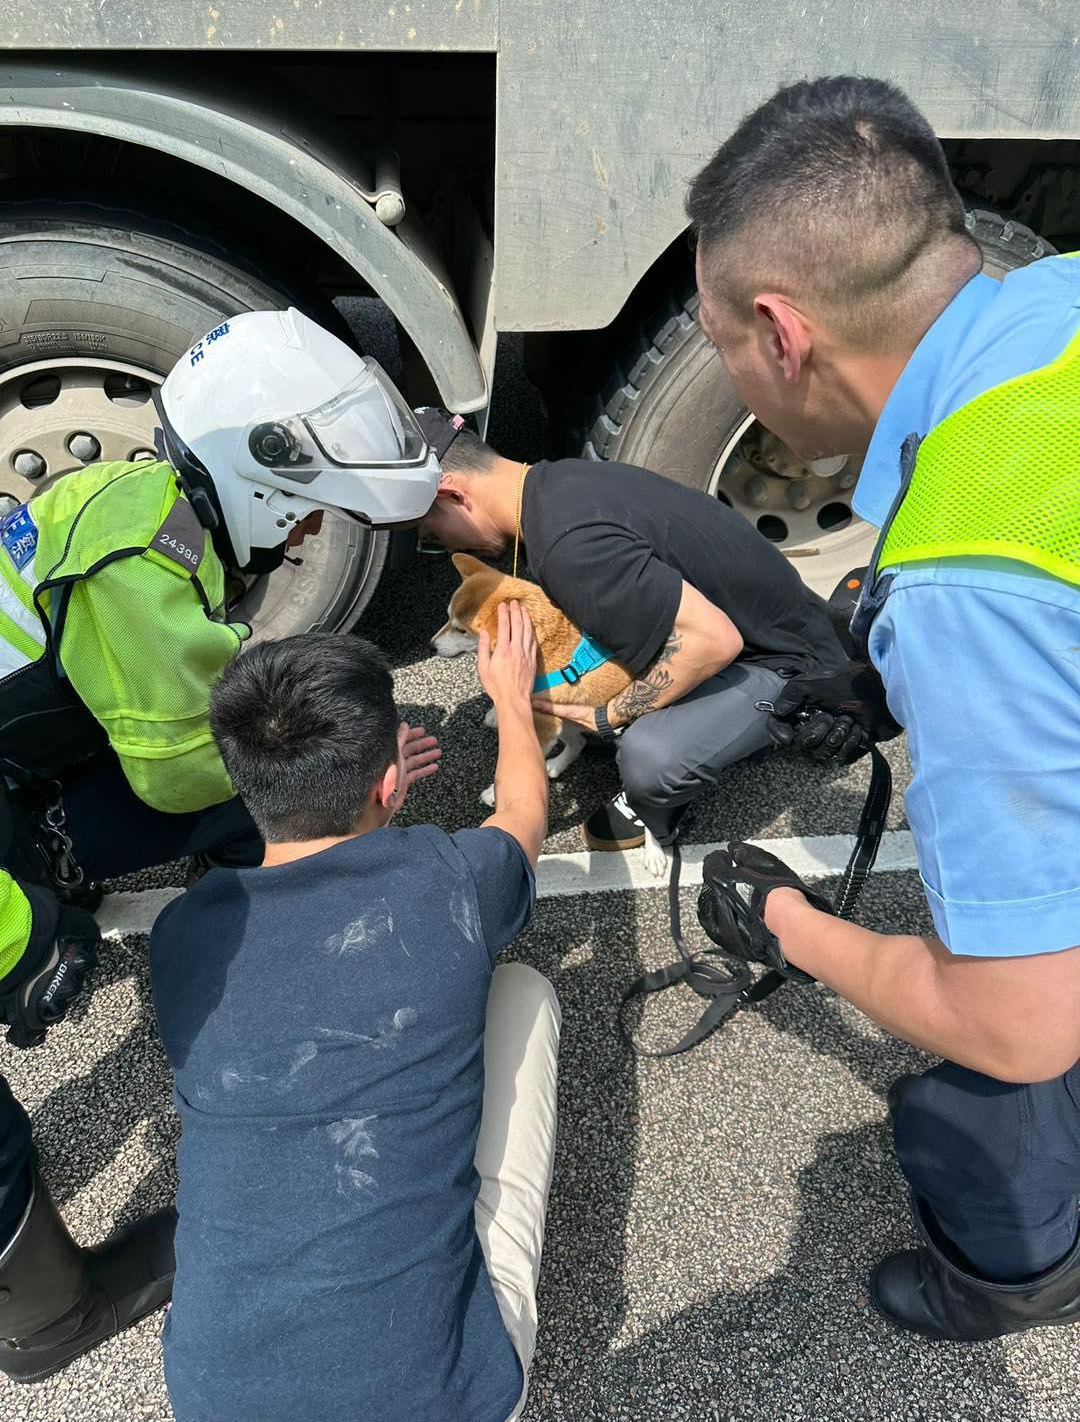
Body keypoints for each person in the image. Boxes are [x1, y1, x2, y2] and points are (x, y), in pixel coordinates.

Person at [688, 75, 1080, 1340]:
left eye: (723, 349)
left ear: (782, 332)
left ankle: (1014, 1280)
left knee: (1000, 1087)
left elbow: (1018, 1026)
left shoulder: (972, 581)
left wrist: (786, 920)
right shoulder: (1058, 304)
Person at [0, 307, 443, 1380]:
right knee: (253, 784)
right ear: (260, 478)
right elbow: (179, 765)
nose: (305, 538)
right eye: (305, 516)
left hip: (13, 760)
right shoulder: (140, 569)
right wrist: (23, 940)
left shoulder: (141, 508)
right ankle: (47, 1318)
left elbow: (163, 682)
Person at [149, 609, 558, 1422]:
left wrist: (357, 791)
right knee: (523, 992)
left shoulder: (183, 934)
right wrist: (512, 700)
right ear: (390, 784)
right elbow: (522, 815)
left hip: (213, 1400)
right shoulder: (452, 880)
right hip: (447, 1397)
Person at [414, 408, 848, 866]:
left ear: (452, 494)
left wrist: (606, 715)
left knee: (646, 756)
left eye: (433, 534)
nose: (447, 547)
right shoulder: (554, 484)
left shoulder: (571, 551)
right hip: (776, 615)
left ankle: (659, 807)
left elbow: (713, 642)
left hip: (789, 661)